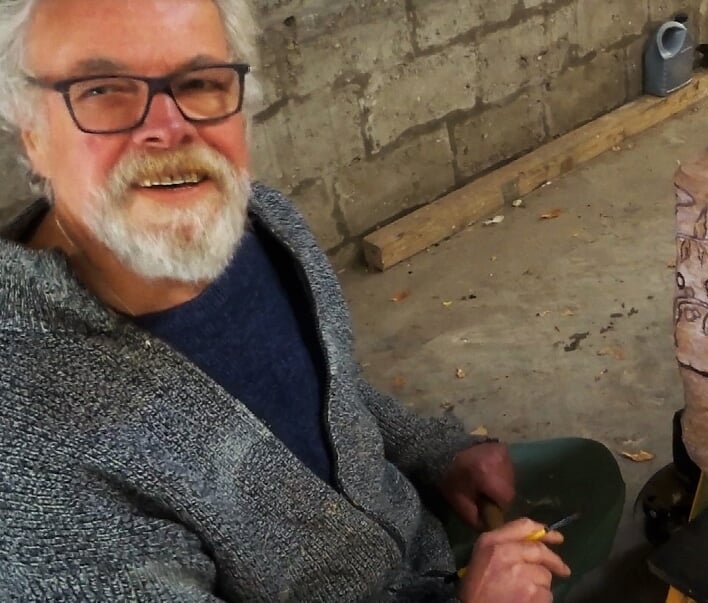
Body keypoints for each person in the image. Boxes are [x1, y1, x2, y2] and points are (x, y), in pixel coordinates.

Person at [0, 0, 624, 601]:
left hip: (416, 549)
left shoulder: (263, 226)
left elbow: (329, 392)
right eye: (104, 90)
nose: (169, 127)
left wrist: (435, 452)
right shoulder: (31, 461)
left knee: (591, 473)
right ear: (31, 132)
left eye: (200, 81)